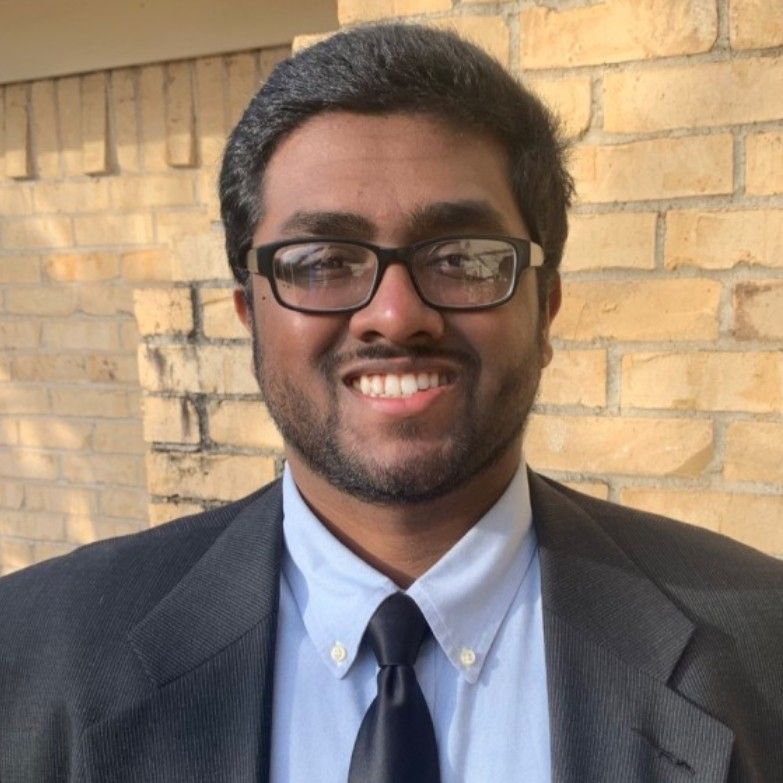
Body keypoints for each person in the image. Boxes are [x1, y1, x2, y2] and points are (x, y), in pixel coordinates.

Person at [1, 23, 781, 783]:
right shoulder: (33, 654)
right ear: (250, 316)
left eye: (463, 258)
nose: (396, 314)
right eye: (321, 261)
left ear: (544, 309)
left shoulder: (761, 647)